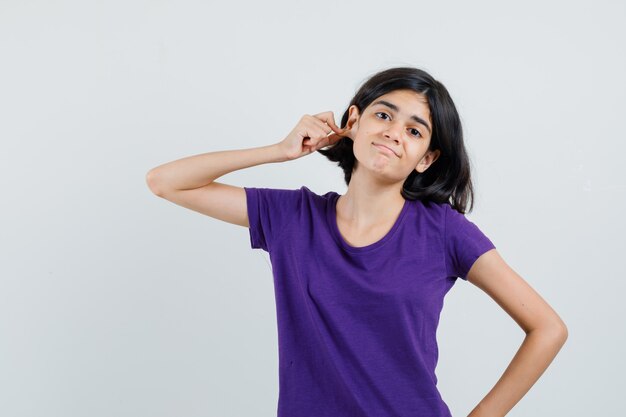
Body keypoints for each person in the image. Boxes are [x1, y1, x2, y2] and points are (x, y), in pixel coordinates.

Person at [146, 66, 568, 417]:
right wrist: (279, 150)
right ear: (353, 122)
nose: (394, 133)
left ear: (426, 158)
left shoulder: (442, 231)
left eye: (415, 130)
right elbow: (165, 183)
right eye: (383, 115)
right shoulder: (292, 218)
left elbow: (547, 328)